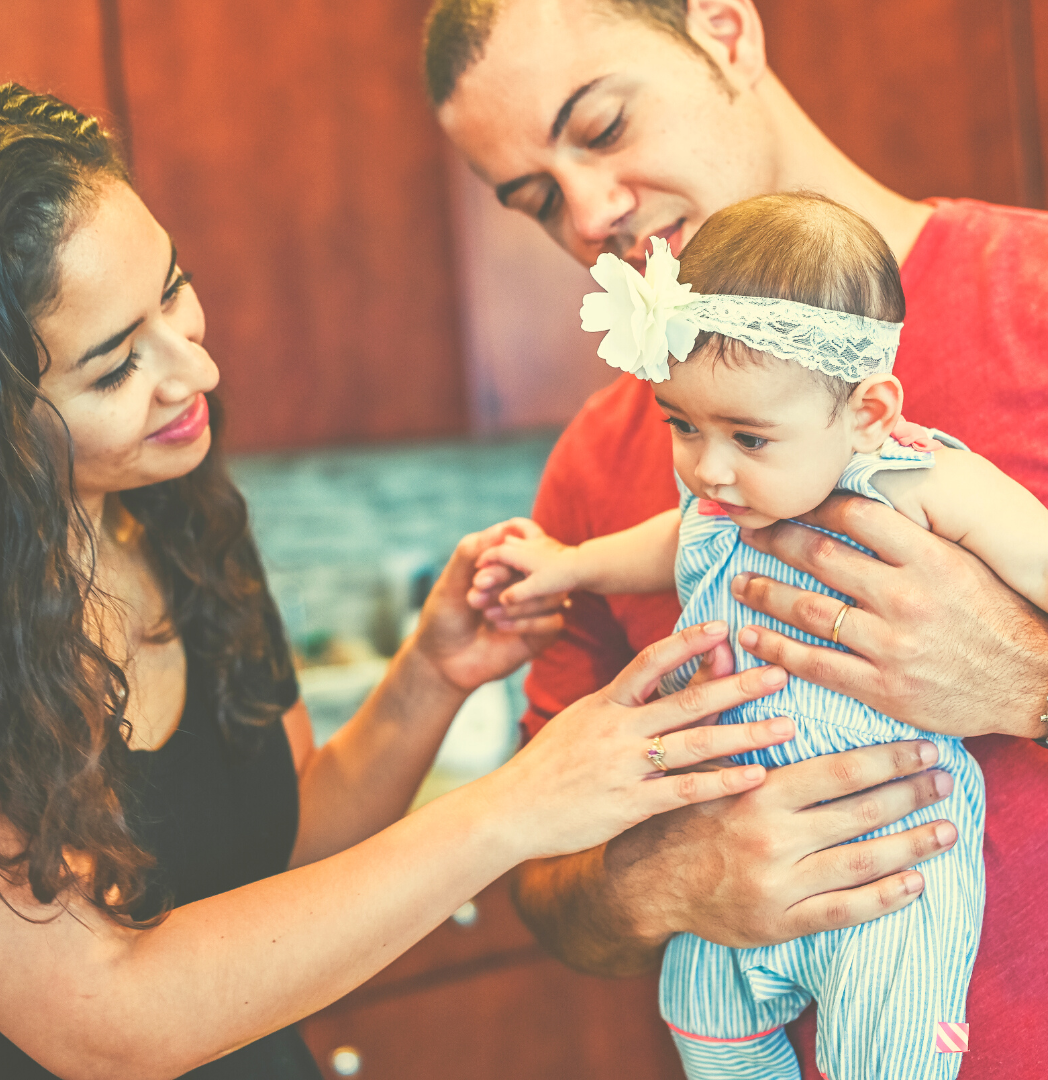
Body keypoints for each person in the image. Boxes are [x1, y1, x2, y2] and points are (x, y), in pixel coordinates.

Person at [0, 83, 852, 1080]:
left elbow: (288, 850)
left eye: (175, 291)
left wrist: (431, 676)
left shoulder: (178, 525)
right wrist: (514, 806)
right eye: (113, 370)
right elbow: (111, 1021)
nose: (195, 371)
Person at [425, 1, 1048, 1075]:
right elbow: (547, 894)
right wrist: (663, 879)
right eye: (537, 198)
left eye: (601, 128)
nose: (590, 215)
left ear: (727, 32)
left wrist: (1045, 690)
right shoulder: (602, 470)